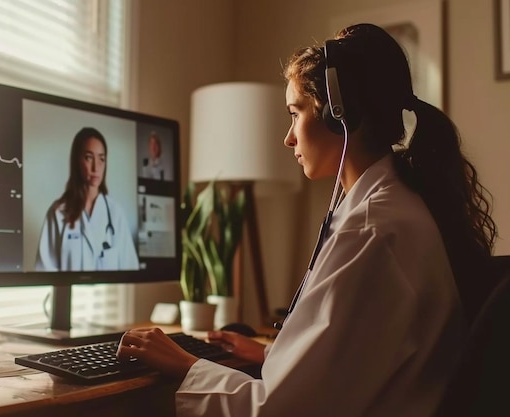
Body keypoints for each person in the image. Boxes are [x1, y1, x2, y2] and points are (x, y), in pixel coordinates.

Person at [116, 23, 498, 416]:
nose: (289, 138)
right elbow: (363, 356)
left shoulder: (371, 229)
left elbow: (277, 410)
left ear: (338, 117)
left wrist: (185, 363)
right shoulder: (397, 205)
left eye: (295, 113)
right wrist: (275, 354)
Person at [36, 127, 139, 271]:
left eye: (101, 159)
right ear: (77, 161)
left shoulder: (116, 213)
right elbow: (45, 270)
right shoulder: (58, 212)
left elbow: (130, 269)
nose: (95, 167)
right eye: (89, 158)